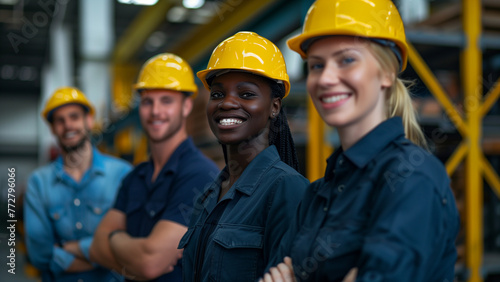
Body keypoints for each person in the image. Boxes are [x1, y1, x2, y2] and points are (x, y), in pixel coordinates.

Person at [262, 0, 460, 281]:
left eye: (347, 60)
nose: (326, 78)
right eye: (317, 65)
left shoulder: (413, 178)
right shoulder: (317, 195)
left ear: (387, 73)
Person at [178, 31, 309, 282]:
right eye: (217, 94)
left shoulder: (288, 190)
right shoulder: (208, 195)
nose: (227, 103)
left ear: (274, 107)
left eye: (246, 94)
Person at [89, 53, 219, 282]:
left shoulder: (201, 175)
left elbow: (150, 262)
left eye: (166, 101)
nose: (156, 111)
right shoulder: (135, 177)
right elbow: (96, 248)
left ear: (186, 106)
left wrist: (114, 237)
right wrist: (134, 264)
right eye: (148, 101)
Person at [24, 87, 133, 281]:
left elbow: (132, 241)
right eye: (60, 120)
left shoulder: (122, 174)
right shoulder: (39, 183)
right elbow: (40, 255)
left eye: (74, 117)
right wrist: (108, 258)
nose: (68, 125)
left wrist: (68, 251)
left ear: (88, 120)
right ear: (52, 128)